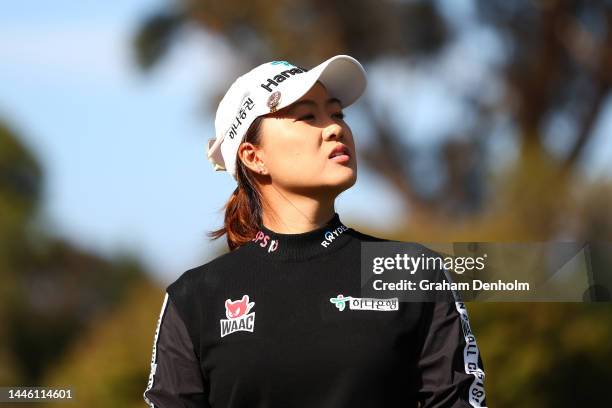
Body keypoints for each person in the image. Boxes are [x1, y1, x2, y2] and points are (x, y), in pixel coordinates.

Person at [143, 55, 487, 407]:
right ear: (253, 156)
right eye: (308, 116)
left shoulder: (412, 271)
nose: (335, 128)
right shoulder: (194, 299)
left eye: (337, 113)